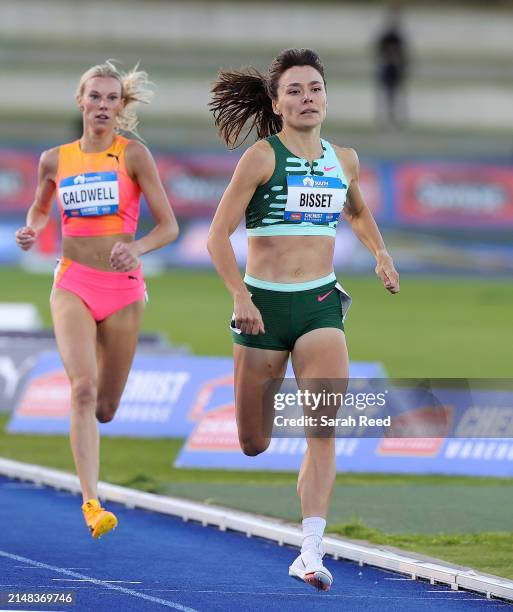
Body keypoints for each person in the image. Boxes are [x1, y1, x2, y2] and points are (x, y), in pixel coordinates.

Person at [207, 48, 399, 591]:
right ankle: (256, 414)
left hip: (319, 307)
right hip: (261, 311)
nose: (306, 97)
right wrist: (240, 296)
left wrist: (380, 254)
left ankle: (310, 551)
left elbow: (357, 212)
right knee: (253, 442)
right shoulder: (261, 159)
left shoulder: (344, 160)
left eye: (314, 88)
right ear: (277, 103)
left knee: (322, 428)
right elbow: (216, 237)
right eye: (294, 90)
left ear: (326, 98)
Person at [15, 61, 179, 539]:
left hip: (124, 291)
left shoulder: (133, 157)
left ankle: (94, 467)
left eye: (112, 98)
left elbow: (168, 226)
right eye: (95, 96)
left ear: (120, 106)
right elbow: (41, 206)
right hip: (73, 283)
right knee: (82, 390)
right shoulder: (55, 159)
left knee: (105, 407)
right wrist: (34, 228)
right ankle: (91, 503)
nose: (103, 105)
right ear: (80, 100)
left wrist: (137, 247)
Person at [375, 6, 409, 125]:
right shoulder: (387, 37)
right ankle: (385, 118)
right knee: (386, 94)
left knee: (397, 94)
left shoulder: (397, 37)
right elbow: (379, 51)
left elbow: (403, 54)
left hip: (394, 67)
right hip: (387, 67)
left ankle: (397, 118)